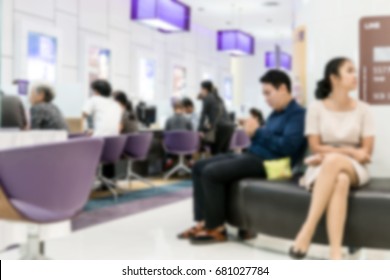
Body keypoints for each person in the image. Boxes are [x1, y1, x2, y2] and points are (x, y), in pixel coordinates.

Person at [178, 70, 307, 244]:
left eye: (268, 93)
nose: (266, 98)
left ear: (283, 88)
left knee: (211, 173)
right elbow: (266, 138)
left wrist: (258, 132)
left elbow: (287, 147)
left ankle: (216, 227)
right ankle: (203, 221)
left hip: (271, 163)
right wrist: (253, 133)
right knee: (200, 166)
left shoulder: (298, 114)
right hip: (254, 155)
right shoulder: (275, 114)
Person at [290, 58, 375, 260]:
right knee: (341, 181)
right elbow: (314, 146)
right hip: (323, 163)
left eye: (355, 71)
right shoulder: (316, 107)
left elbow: (365, 153)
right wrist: (350, 151)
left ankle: (307, 230)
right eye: (349, 71)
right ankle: (335, 252)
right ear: (334, 78)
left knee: (335, 162)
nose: (355, 75)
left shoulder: (364, 109)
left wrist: (344, 154)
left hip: (352, 166)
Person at [198, 81, 234, 155]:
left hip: (220, 127)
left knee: (216, 153)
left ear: (205, 89)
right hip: (229, 126)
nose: (200, 91)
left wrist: (200, 130)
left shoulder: (207, 98)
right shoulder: (218, 98)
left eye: (201, 89)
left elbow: (203, 115)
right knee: (225, 153)